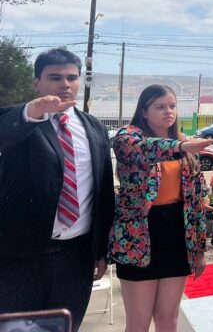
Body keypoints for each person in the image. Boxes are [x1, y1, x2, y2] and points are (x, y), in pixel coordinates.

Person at [0, 48, 115, 331]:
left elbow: (103, 193)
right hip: (22, 258)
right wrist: (32, 113)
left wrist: (100, 250)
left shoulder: (95, 129)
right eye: (54, 77)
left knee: (66, 326)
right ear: (37, 82)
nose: (64, 84)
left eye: (71, 78)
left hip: (75, 258)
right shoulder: (21, 120)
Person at [110, 84, 213, 332]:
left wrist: (199, 248)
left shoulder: (185, 146)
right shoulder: (128, 137)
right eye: (160, 106)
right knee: (139, 322)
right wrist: (180, 147)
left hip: (177, 234)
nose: (168, 111)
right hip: (138, 237)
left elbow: (196, 202)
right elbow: (144, 150)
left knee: (169, 319)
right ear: (144, 112)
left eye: (172, 106)